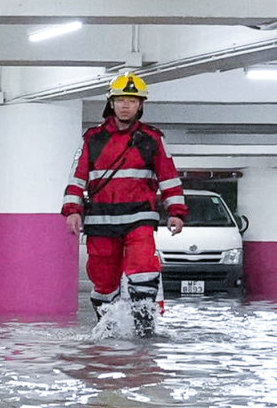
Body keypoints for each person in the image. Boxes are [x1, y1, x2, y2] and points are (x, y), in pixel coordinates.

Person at [63, 72, 186, 330]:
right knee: (103, 280)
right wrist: (73, 210)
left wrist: (176, 211)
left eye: (132, 100)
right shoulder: (93, 139)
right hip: (100, 220)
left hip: (139, 218)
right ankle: (106, 330)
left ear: (141, 105)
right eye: (120, 100)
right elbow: (78, 177)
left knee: (143, 270)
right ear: (111, 103)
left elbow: (169, 176)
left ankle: (145, 332)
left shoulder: (152, 139)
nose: (126, 105)